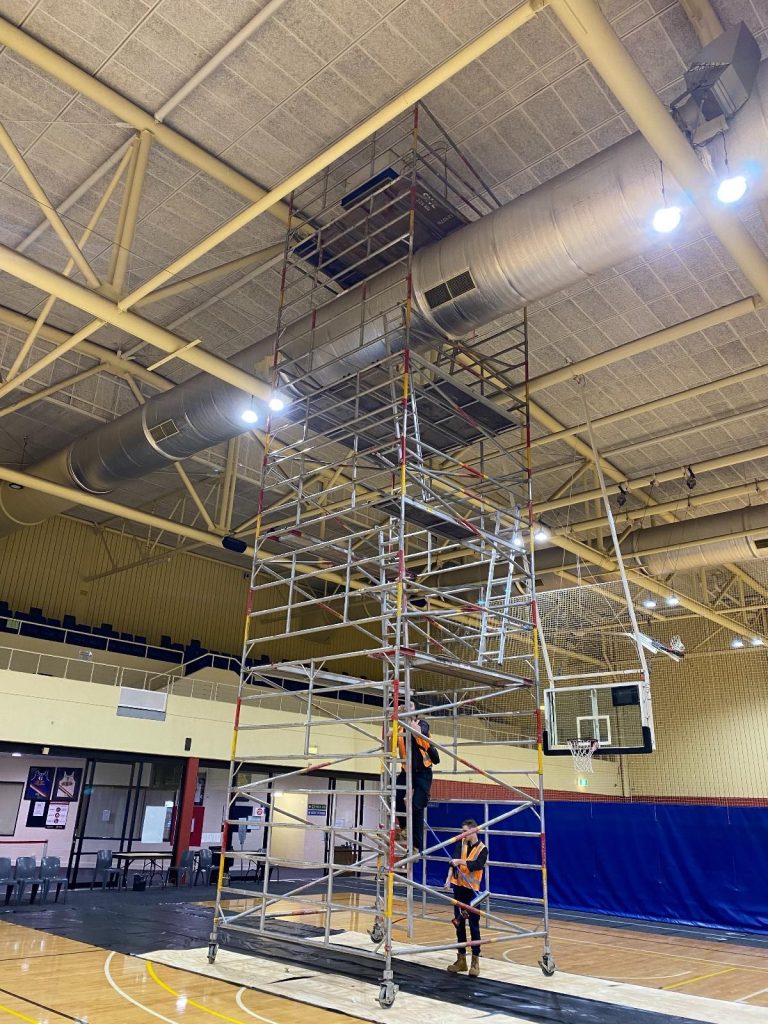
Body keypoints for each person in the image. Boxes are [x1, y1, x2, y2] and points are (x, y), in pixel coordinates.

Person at [444, 818, 487, 977]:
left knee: (474, 926)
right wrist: (448, 879)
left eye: (465, 831)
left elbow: (476, 865)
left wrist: (460, 861)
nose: (462, 834)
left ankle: (475, 961)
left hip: (472, 893)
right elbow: (452, 864)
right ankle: (461, 959)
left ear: (473, 831)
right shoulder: (460, 845)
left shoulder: (483, 849)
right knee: (459, 924)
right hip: (459, 890)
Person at [395, 703, 439, 851]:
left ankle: (415, 845)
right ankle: (404, 827)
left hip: (423, 771)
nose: (406, 708)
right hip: (407, 771)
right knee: (396, 795)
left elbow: (419, 733)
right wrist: (394, 718)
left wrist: (410, 719)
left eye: (410, 707)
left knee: (417, 807)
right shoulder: (399, 728)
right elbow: (389, 743)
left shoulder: (422, 724)